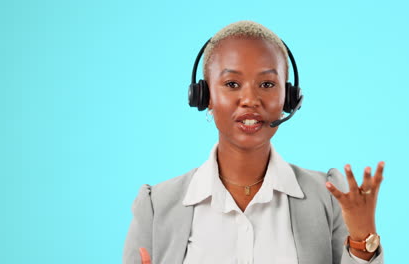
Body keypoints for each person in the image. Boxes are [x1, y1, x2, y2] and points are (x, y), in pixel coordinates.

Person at [123, 20, 385, 264]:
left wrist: (362, 242)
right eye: (232, 83)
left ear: (289, 98)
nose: (250, 99)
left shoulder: (328, 198)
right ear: (204, 96)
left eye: (268, 84)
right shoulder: (157, 206)